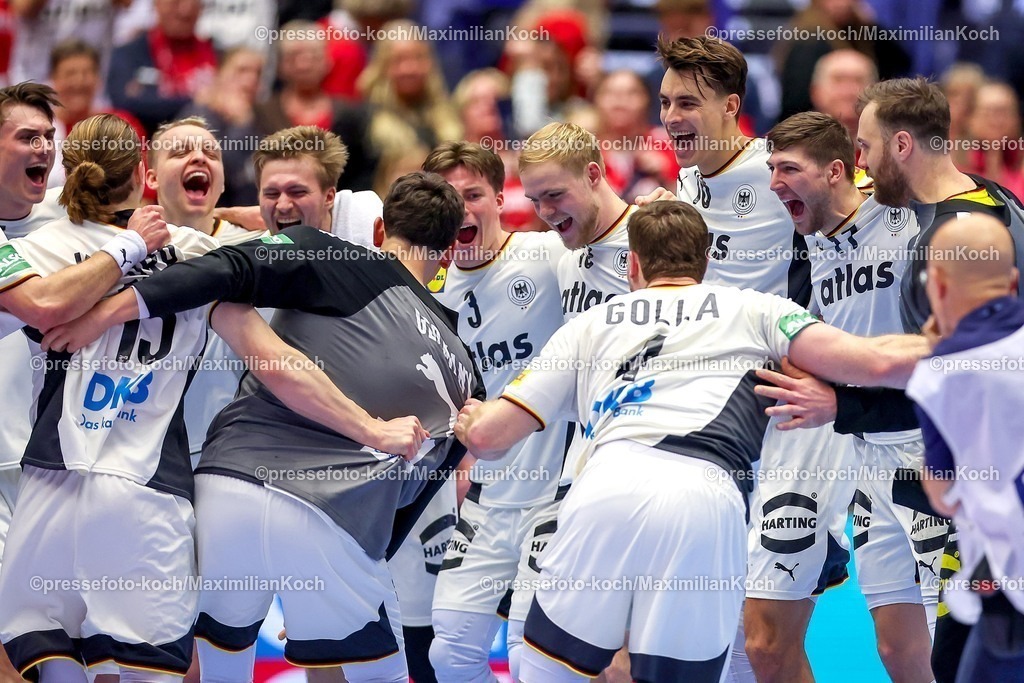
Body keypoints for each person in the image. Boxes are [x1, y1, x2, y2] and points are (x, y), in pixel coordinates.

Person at [43, 132, 482, 681]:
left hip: (225, 484)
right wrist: (344, 571)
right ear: (448, 251)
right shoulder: (466, 365)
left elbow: (216, 272)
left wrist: (106, 313)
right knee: (378, 673)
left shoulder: (327, 252)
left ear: (374, 230)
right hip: (341, 513)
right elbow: (421, 490)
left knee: (219, 664)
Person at [454, 199, 929, 683]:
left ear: (633, 264)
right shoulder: (758, 309)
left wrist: (470, 421)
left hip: (605, 487)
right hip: (705, 499)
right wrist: (971, 333)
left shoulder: (586, 326)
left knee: (550, 671)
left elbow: (491, 438)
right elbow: (874, 361)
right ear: (707, 258)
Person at [0, 113, 213, 682]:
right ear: (144, 174)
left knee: (54, 664)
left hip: (51, 482)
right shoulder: (196, 250)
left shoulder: (39, 250)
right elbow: (275, 257)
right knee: (152, 670)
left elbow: (38, 304)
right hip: (145, 486)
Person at [750, 110, 943, 683]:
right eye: (770, 169)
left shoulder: (907, 218)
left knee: (953, 636)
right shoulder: (811, 250)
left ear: (838, 171)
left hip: (935, 454)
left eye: (788, 168)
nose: (774, 183)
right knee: (896, 650)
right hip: (866, 459)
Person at [422, 142, 568, 682]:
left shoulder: (547, 255)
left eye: (473, 195)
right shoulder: (427, 291)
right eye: (446, 198)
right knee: (450, 654)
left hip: (558, 490)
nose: (461, 210)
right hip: (485, 495)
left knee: (532, 654)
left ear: (500, 199)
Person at [907, 214, 1024, 683]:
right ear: (1013, 282)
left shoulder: (939, 376)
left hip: (1008, 581)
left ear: (936, 284)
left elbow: (944, 494)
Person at [106, 0, 217, 135]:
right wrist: (195, 101)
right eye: (175, 3)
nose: (185, 11)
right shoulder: (130, 53)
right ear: (156, 4)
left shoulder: (215, 52)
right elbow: (126, 103)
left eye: (193, 4)